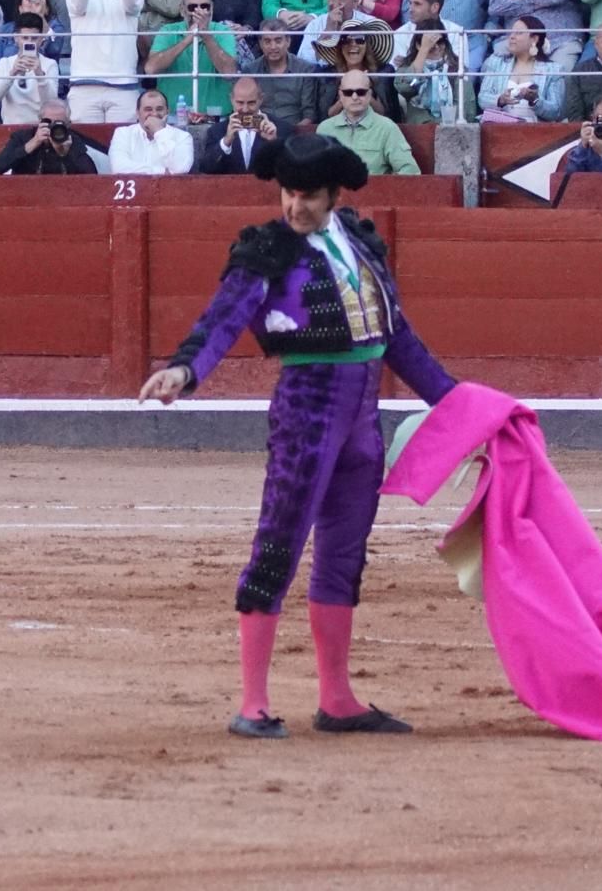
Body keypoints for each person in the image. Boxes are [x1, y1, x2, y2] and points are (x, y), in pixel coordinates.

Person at [139, 133, 455, 740]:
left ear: (333, 196)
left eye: (307, 196)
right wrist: (184, 369)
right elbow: (222, 319)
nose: (293, 207)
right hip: (306, 412)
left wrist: (458, 402)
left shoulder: (361, 246)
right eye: (287, 193)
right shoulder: (269, 252)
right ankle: (253, 703)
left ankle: (337, 699)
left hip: (363, 418)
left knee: (344, 556)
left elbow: (399, 339)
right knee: (277, 547)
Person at [66, 0, 144, 121]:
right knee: (87, 146)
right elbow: (78, 5)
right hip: (84, 86)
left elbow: (133, 6)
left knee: (122, 145)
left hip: (124, 85)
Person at [145, 0, 240, 118]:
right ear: (182, 10)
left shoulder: (223, 31)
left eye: (204, 6)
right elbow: (150, 69)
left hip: (216, 117)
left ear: (212, 8)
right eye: (193, 7)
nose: (199, 11)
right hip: (173, 118)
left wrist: (206, 35)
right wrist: (187, 39)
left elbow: (229, 72)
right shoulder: (168, 31)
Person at [316, 67, 418, 173]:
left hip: (376, 189)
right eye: (348, 92)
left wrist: (387, 188)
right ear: (340, 95)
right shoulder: (325, 129)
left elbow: (410, 170)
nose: (355, 97)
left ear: (369, 94)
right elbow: (316, 172)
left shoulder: (387, 128)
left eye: (361, 92)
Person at [478, 16, 566, 122]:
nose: (512, 37)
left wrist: (535, 101)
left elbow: (556, 111)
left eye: (518, 33)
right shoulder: (496, 62)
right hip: (500, 127)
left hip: (535, 132)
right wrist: (500, 100)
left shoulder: (554, 70)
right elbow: (482, 98)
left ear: (534, 39)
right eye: (511, 33)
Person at [197, 76, 289, 173]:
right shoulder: (216, 131)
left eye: (251, 103)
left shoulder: (282, 128)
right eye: (240, 103)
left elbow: (290, 171)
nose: (245, 109)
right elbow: (206, 169)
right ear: (231, 99)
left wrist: (273, 143)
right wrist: (226, 142)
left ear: (261, 99)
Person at [315, 18, 400, 122]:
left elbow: (387, 115)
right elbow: (324, 116)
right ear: (340, 47)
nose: (353, 44)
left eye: (360, 39)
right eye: (346, 40)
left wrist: (364, 90)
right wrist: (346, 94)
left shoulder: (382, 73)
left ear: (367, 46)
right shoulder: (328, 76)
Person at [241, 17, 320, 126]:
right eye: (267, 41)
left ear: (288, 41)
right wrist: (265, 129)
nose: (273, 47)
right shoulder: (250, 71)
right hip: (259, 129)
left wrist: (289, 132)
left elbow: (309, 115)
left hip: (294, 132)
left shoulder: (305, 69)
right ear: (260, 43)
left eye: (278, 41)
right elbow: (244, 112)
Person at [392, 18, 474, 123]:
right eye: (431, 43)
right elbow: (405, 88)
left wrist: (440, 125)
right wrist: (424, 49)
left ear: (446, 42)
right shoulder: (407, 66)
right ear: (418, 45)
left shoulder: (457, 68)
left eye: (440, 41)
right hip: (420, 126)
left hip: (451, 128)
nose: (435, 46)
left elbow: (465, 106)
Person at [0, 97, 98, 173]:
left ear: (68, 124)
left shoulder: (71, 139)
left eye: (59, 123)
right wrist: (32, 144)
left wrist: (65, 153)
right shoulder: (22, 137)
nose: (53, 127)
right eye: (48, 122)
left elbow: (92, 175)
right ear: (39, 121)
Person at [0, 10, 60, 123]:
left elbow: (50, 103)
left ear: (41, 39)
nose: (29, 43)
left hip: (40, 128)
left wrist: (40, 76)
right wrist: (11, 74)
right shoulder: (5, 63)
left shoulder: (50, 64)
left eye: (34, 38)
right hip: (11, 128)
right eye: (25, 38)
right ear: (16, 38)